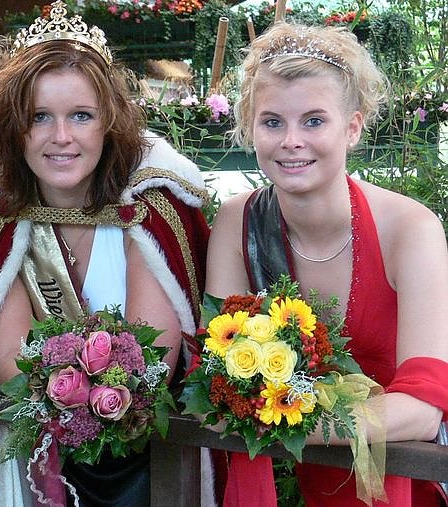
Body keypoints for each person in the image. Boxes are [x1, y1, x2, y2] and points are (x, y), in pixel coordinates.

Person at [0, 2, 211, 504]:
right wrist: (72, 396)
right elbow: (8, 364)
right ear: (14, 128)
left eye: (81, 116)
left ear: (109, 123)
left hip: (148, 461)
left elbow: (153, 359)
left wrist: (82, 393)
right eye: (39, 117)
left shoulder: (148, 209)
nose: (61, 137)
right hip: (39, 460)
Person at [205, 21, 448, 507]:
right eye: (272, 122)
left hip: (406, 482)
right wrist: (269, 412)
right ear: (251, 128)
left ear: (352, 128)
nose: (291, 140)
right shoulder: (237, 221)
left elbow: (424, 410)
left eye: (314, 121)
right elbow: (214, 378)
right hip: (294, 483)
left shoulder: (411, 228)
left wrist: (278, 413)